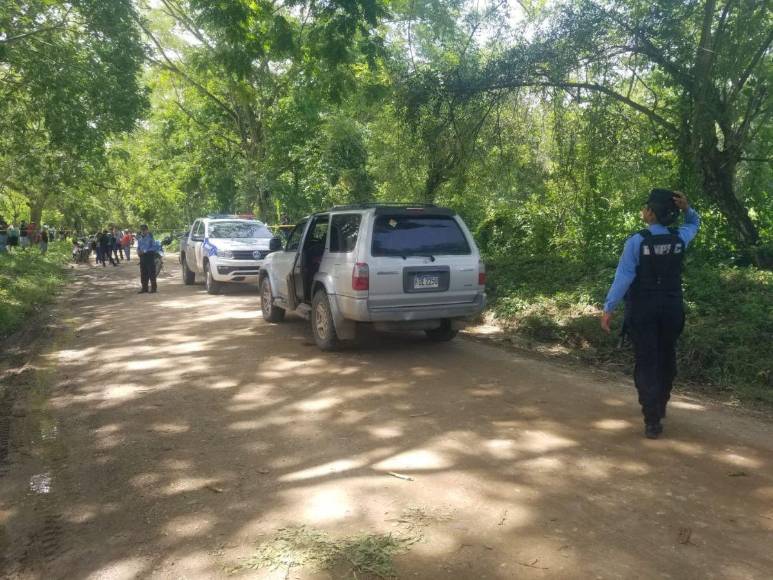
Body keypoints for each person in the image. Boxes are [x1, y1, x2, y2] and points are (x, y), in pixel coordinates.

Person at [601, 189, 700, 439]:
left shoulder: (637, 241)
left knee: (647, 360)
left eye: (646, 207)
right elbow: (694, 223)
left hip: (643, 309)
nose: (643, 211)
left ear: (652, 212)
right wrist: (686, 208)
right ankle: (661, 404)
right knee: (666, 355)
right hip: (672, 307)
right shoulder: (680, 237)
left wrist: (609, 308)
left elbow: (624, 277)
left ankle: (652, 418)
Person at [136, 224, 158, 293]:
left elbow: (154, 248)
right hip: (142, 258)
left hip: (149, 256)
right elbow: (139, 247)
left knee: (151, 273)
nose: (143, 231)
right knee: (143, 273)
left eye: (144, 230)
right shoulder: (140, 239)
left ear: (147, 230)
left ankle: (153, 288)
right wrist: (138, 251)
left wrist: (145, 251)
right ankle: (144, 288)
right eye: (142, 230)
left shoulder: (150, 238)